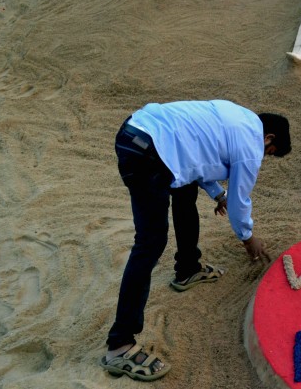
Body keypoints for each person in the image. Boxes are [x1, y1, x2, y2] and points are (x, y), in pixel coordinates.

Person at [100, 100, 291, 381]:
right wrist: (248, 238)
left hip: (138, 131)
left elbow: (194, 158)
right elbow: (240, 201)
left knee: (185, 189)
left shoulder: (236, 117)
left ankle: (188, 269)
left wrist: (217, 194)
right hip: (148, 153)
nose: (263, 158)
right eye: (269, 152)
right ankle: (120, 345)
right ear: (268, 138)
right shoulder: (251, 145)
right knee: (150, 242)